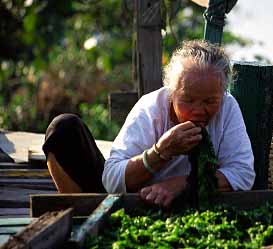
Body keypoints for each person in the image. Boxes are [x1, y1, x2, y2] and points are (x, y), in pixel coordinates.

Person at [43, 40, 255, 207]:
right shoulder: (151, 110)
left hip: (195, 201)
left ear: (221, 93)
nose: (199, 110)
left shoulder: (227, 106)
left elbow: (243, 173)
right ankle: (78, 215)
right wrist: (160, 152)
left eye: (210, 101)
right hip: (133, 201)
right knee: (63, 129)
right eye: (188, 100)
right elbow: (111, 180)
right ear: (172, 93)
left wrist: (183, 184)